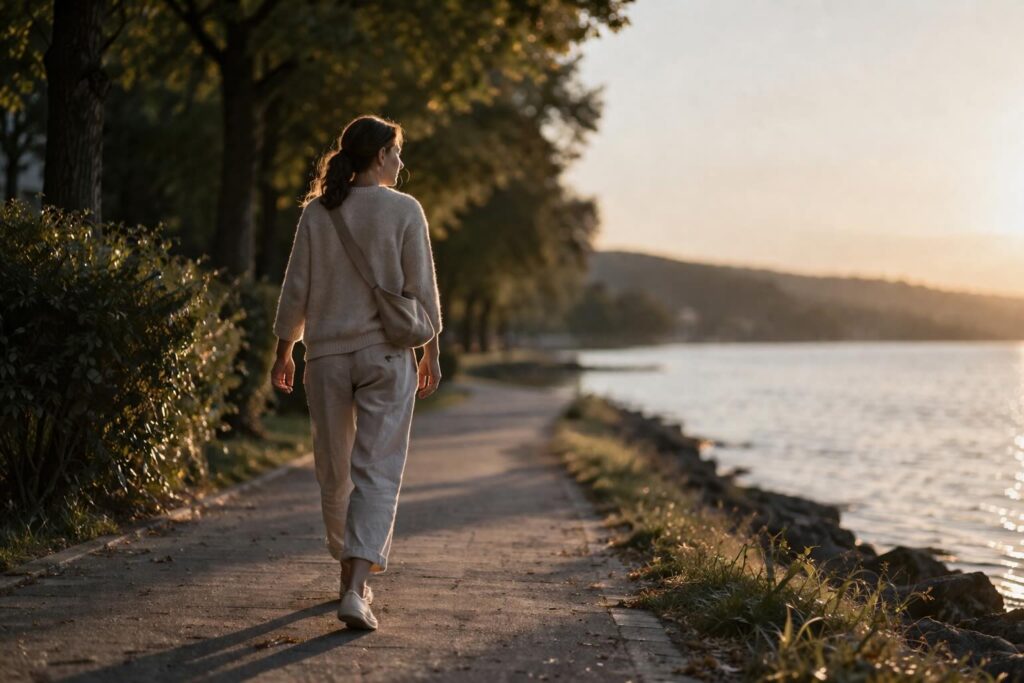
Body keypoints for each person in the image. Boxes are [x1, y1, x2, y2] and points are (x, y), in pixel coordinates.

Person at [269, 114, 443, 630]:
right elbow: (422, 289)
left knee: (334, 469)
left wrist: (283, 352)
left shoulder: (317, 214)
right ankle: (355, 586)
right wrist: (431, 351)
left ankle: (348, 574)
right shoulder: (405, 210)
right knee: (377, 469)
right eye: (397, 152)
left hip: (324, 357)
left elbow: (294, 286)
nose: (401, 162)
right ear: (381, 155)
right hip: (387, 355)